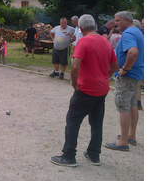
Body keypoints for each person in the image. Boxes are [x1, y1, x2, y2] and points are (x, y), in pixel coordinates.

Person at [50, 15, 119, 167]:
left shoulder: (83, 41)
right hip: (102, 89)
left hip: (86, 88)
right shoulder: (105, 41)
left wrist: (74, 82)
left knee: (73, 121)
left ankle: (69, 156)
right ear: (95, 25)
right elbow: (115, 65)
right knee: (96, 122)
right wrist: (103, 75)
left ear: (80, 28)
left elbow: (75, 65)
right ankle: (94, 155)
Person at [105, 11, 144, 151]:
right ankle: (131, 135)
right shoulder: (138, 32)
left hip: (128, 76)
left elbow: (133, 52)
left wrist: (125, 69)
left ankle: (123, 142)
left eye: (118, 20)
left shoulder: (128, 33)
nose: (115, 23)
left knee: (123, 106)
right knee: (133, 104)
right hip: (137, 75)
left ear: (127, 20)